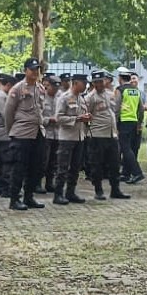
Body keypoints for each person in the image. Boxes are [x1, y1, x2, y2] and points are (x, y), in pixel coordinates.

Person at [4, 59, 47, 211]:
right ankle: (15, 199)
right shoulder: (17, 89)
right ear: (25, 70)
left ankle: (29, 197)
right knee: (19, 168)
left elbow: (41, 110)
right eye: (33, 69)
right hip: (22, 133)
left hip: (38, 131)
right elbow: (9, 112)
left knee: (36, 167)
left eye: (38, 69)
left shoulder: (40, 88)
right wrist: (12, 131)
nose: (35, 72)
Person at [85, 71, 130, 200]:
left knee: (115, 163)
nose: (100, 84)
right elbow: (87, 116)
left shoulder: (111, 95)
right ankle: (98, 190)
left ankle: (115, 189)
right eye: (97, 82)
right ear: (93, 83)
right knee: (97, 164)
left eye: (102, 81)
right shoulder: (90, 98)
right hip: (97, 135)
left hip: (111, 134)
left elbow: (114, 111)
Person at [53, 72, 90, 205]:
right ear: (75, 83)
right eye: (83, 83)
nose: (86, 86)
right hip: (66, 138)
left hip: (79, 137)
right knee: (63, 167)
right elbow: (58, 118)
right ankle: (58, 194)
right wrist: (78, 118)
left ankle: (70, 192)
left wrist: (86, 118)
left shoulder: (81, 98)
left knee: (75, 167)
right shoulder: (64, 97)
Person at [114, 69, 145, 183]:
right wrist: (139, 123)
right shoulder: (136, 90)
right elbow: (141, 109)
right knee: (130, 148)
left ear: (120, 78)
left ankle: (137, 173)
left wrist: (115, 125)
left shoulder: (120, 90)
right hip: (134, 121)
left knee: (125, 149)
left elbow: (116, 109)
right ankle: (126, 174)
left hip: (123, 121)